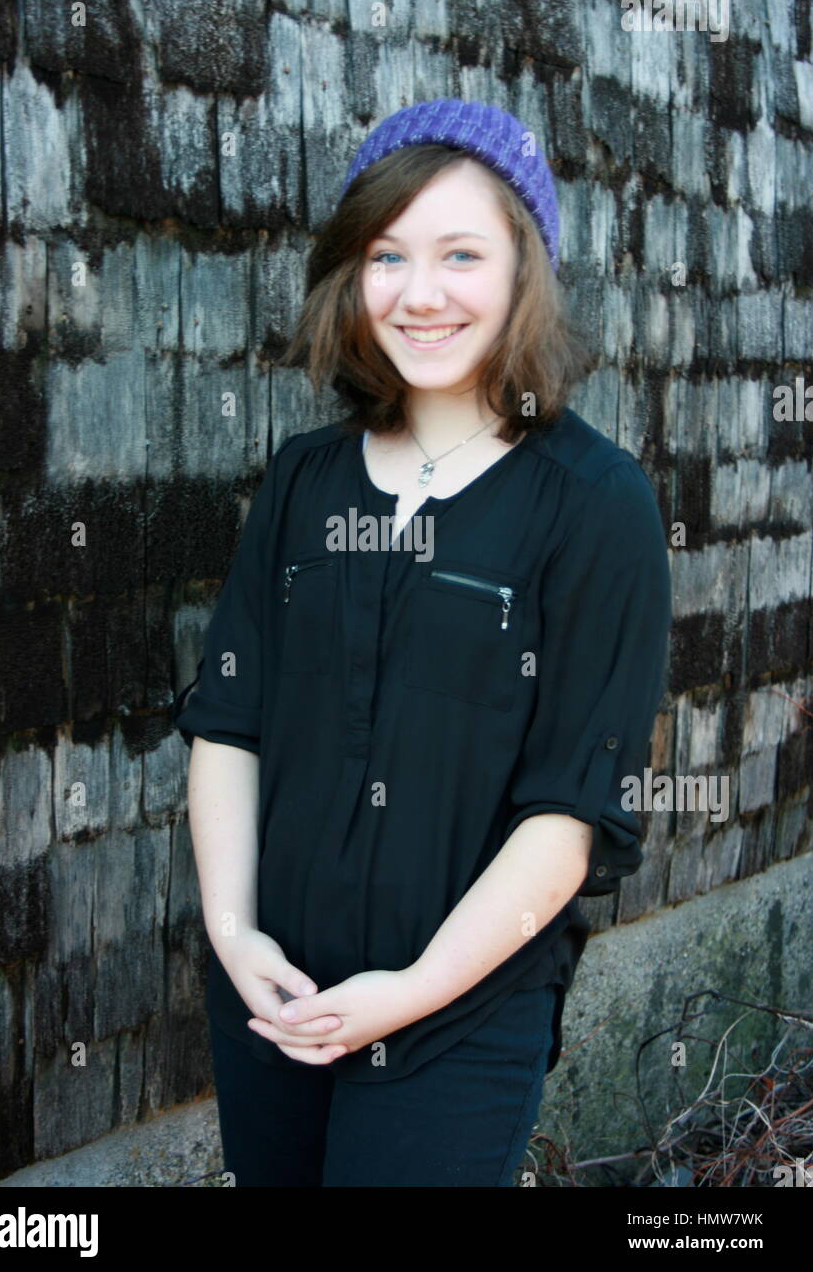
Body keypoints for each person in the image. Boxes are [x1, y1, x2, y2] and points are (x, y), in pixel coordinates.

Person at [172, 98, 672, 1187]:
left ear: (521, 269)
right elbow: (227, 723)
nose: (419, 291)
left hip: (455, 1019)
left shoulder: (594, 505)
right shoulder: (304, 481)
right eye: (386, 254)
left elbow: (567, 814)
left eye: (459, 253)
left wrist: (410, 991)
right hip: (276, 996)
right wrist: (234, 936)